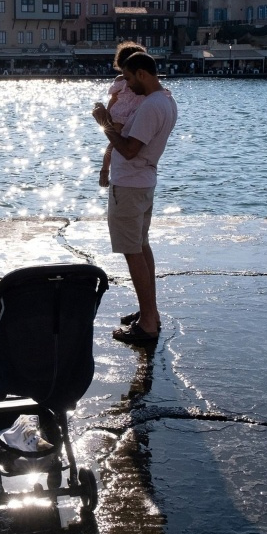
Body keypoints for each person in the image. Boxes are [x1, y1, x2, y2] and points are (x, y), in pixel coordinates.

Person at [92, 52, 178, 344]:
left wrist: (104, 123)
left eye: (129, 78)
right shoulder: (166, 100)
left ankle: (148, 323)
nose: (127, 84)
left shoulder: (151, 106)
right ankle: (149, 312)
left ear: (142, 73)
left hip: (129, 185)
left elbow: (129, 150)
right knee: (141, 246)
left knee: (133, 252)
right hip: (143, 182)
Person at [96, 42, 148, 188]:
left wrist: (108, 113)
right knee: (114, 141)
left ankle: (105, 170)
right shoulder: (123, 80)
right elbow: (114, 97)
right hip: (122, 112)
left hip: (126, 111)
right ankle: (104, 170)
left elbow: (113, 99)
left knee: (115, 142)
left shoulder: (133, 81)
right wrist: (108, 114)